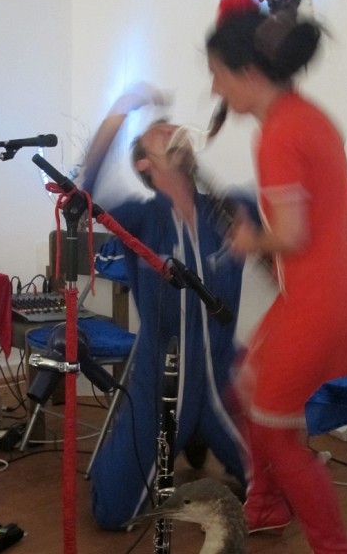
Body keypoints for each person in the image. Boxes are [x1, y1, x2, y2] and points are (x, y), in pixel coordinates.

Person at [204, 0, 347, 553]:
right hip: (326, 294)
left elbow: (291, 234)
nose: (215, 89)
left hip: (317, 303)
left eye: (218, 74)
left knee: (280, 436)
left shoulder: (277, 132)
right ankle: (266, 505)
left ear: (248, 73)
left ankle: (332, 546)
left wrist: (251, 239)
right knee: (247, 383)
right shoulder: (310, 116)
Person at [81, 83, 255, 530]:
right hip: (161, 381)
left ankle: (203, 434)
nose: (172, 130)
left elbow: (294, 213)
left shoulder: (230, 209)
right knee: (111, 512)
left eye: (175, 128)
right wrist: (122, 109)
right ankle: (185, 436)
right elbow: (86, 190)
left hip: (222, 381)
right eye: (159, 132)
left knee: (281, 494)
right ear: (144, 163)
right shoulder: (139, 218)